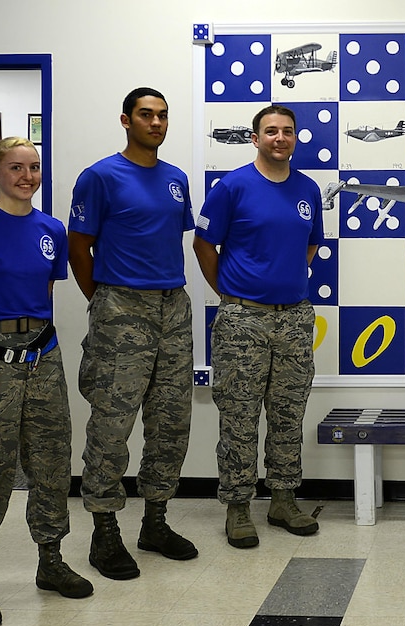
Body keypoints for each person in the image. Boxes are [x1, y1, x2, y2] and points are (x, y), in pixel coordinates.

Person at [0, 136, 93, 621]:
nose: (26, 177)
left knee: (50, 462)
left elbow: (44, 290)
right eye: (15, 168)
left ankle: (51, 560)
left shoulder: (51, 229)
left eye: (34, 168)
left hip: (43, 357)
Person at [69, 86, 200, 576]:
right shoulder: (101, 176)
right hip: (122, 305)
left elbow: (172, 238)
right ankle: (104, 531)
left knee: (170, 420)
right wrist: (104, 300)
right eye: (146, 115)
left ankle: (156, 521)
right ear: (126, 120)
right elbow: (78, 245)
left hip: (173, 306)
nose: (156, 123)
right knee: (112, 422)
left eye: (163, 115)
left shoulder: (175, 179)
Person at [192, 104, 324, 549]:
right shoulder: (232, 187)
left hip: (294, 317)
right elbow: (203, 243)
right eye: (271, 131)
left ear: (295, 138)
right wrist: (232, 292)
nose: (280, 138)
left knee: (288, 413)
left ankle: (283, 499)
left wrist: (282, 285)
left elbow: (309, 246)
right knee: (240, 416)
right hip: (242, 319)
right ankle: (237, 507)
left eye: (287, 131)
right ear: (255, 138)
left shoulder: (306, 189)